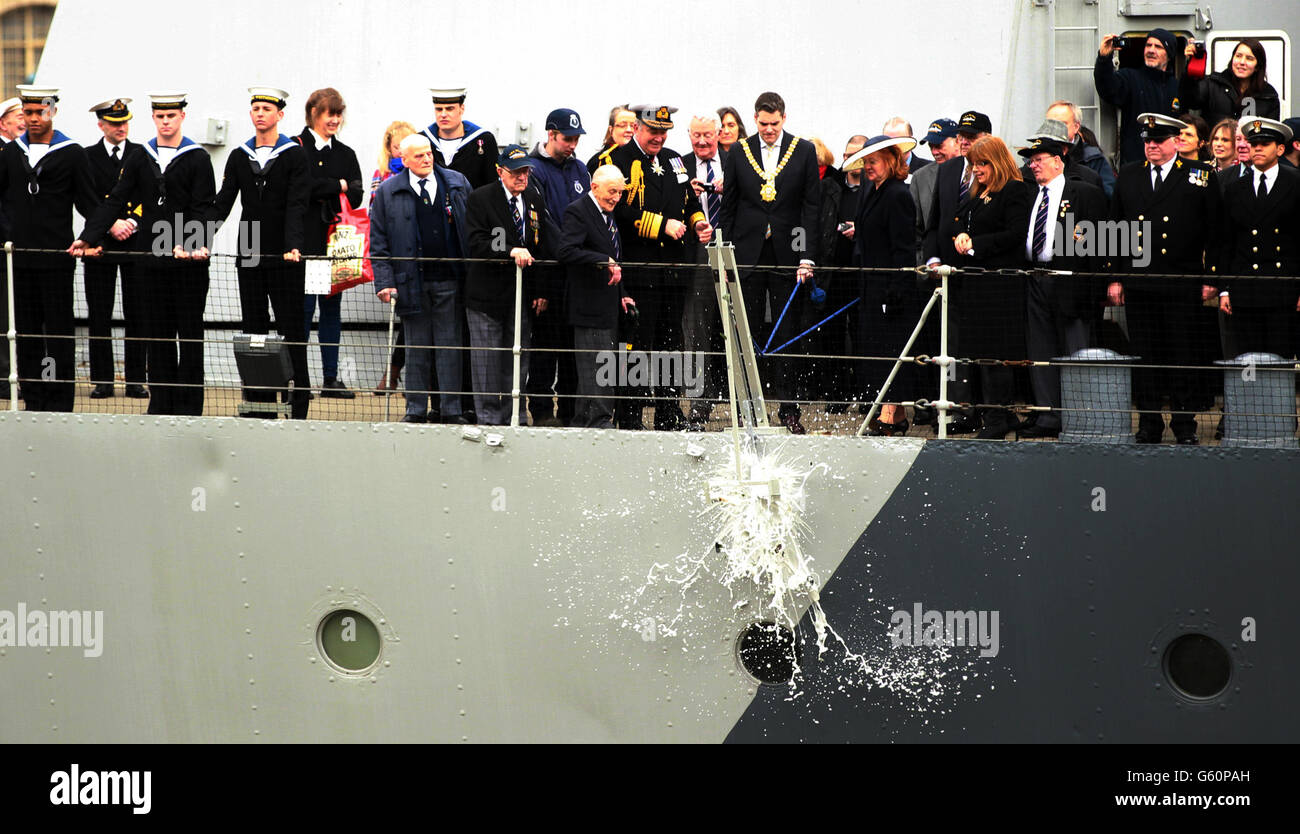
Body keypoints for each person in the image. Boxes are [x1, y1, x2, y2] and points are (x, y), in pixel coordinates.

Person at [71, 92, 214, 416]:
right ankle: (161, 403)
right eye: (160, 117)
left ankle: (190, 405)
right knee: (159, 334)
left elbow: (203, 207)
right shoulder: (141, 156)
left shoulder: (197, 157)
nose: (166, 122)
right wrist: (88, 237)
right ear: (153, 118)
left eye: (171, 116)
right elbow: (115, 199)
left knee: (190, 334)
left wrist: (192, 244)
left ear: (181, 118)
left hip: (187, 262)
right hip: (151, 259)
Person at [595, 104, 711, 430]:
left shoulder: (675, 159)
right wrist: (661, 225)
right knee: (637, 344)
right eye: (653, 131)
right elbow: (617, 211)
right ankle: (630, 416)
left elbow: (688, 199)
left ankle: (668, 411)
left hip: (673, 270)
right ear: (638, 128)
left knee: (671, 343)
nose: (659, 138)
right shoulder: (615, 161)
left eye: (663, 132)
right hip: (639, 269)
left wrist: (698, 222)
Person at [1110, 113, 1222, 444]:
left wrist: (1211, 276)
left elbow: (1216, 230)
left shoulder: (1199, 175)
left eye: (1158, 140)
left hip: (1181, 282)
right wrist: (1116, 278)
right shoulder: (1130, 175)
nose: (1152, 146)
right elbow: (1118, 229)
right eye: (1147, 141)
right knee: (1145, 355)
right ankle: (1148, 422)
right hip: (1141, 283)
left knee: (1182, 354)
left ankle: (1185, 424)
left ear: (1175, 141)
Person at [718, 91, 820, 434]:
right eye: (763, 123)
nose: (769, 130)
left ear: (784, 118)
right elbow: (729, 206)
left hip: (787, 254)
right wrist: (724, 254)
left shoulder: (804, 150)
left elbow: (811, 208)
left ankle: (788, 407)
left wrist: (805, 255)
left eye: (774, 123)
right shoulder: (738, 151)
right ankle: (745, 406)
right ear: (756, 118)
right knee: (745, 331)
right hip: (746, 254)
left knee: (786, 332)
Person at [211, 86, 311, 420]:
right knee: (254, 328)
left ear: (280, 115)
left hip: (285, 249)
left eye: (267, 109)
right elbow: (223, 201)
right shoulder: (240, 155)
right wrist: (195, 238)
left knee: (292, 327)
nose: (260, 114)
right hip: (251, 242)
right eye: (255, 108)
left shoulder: (294, 154)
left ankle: (299, 399)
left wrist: (293, 245)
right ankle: (259, 401)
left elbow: (298, 204)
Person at [0, 86, 99, 412]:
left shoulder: (72, 154)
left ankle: (57, 396)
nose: (33, 119)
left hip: (56, 259)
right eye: (27, 113)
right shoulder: (11, 154)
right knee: (26, 333)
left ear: (52, 112)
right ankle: (34, 395)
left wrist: (92, 236)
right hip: (20, 259)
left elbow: (89, 202)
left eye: (39, 112)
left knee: (56, 332)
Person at [369, 134, 472, 424]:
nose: (427, 159)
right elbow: (378, 242)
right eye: (419, 156)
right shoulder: (389, 192)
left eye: (429, 153)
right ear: (404, 160)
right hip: (409, 282)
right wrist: (385, 282)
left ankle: (451, 410)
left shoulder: (457, 182)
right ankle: (415, 409)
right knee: (417, 349)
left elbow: (473, 225)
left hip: (451, 280)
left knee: (450, 348)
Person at [1016, 127, 1108, 439]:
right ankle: (1048, 415)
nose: (1034, 165)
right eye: (1031, 161)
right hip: (1035, 277)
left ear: (1058, 161)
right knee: (1040, 347)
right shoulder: (1030, 195)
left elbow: (1099, 245)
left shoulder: (1084, 193)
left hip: (1069, 281)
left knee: (1075, 348)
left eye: (1039, 159)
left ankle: (1078, 416)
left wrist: (1099, 287)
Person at [943, 135, 1032, 439]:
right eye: (973, 164)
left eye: (983, 163)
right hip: (977, 286)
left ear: (997, 162)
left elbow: (1015, 233)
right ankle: (986, 414)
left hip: (999, 286)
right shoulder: (978, 194)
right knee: (979, 354)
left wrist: (975, 245)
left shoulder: (1014, 191)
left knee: (997, 355)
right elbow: (956, 220)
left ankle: (1000, 416)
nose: (977, 169)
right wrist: (960, 236)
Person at [464, 145, 557, 425]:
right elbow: (478, 242)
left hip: (521, 297)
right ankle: (489, 417)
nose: (522, 177)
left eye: (526, 170)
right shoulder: (482, 198)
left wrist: (541, 290)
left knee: (517, 361)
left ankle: (513, 415)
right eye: (516, 172)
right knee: (487, 362)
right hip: (487, 297)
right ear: (500, 171)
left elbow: (540, 246)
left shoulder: (533, 198)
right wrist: (510, 250)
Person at [845, 134, 917, 436]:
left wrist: (895, 291)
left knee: (891, 351)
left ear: (890, 161)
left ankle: (889, 417)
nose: (867, 167)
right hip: (869, 287)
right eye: (865, 162)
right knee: (875, 351)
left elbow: (904, 249)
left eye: (872, 161)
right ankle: (897, 417)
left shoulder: (898, 194)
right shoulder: (870, 191)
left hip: (891, 288)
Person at [298, 88, 364, 400]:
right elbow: (302, 187)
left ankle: (330, 377)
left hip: (337, 245)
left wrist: (329, 188)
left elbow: (357, 192)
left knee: (330, 309)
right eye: (328, 113)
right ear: (314, 114)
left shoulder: (345, 154)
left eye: (338, 113)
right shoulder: (298, 148)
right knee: (303, 311)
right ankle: (299, 379)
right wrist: (335, 185)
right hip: (309, 245)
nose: (334, 119)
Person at [1215, 118, 1299, 359]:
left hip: (1282, 288)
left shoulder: (1295, 184)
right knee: (1247, 357)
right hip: (1245, 289)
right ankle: (1248, 398)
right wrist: (1225, 289)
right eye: (1253, 144)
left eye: (1264, 144)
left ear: (1280, 149)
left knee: (1278, 355)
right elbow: (1227, 242)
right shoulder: (1235, 188)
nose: (1257, 149)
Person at [558, 165, 635, 429]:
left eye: (620, 193)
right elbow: (566, 251)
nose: (616, 197)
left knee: (603, 366)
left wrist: (622, 295)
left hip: (608, 304)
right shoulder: (578, 212)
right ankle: (598, 421)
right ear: (594, 187)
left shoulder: (606, 213)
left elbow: (615, 259)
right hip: (588, 307)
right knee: (597, 368)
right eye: (612, 191)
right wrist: (602, 260)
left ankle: (586, 420)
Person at [526, 108, 589, 427]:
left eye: (576, 138)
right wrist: (541, 283)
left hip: (575, 275)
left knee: (570, 346)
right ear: (550, 135)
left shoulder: (579, 169)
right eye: (567, 138)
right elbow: (542, 227)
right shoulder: (533, 169)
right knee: (545, 346)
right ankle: (539, 409)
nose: (573, 144)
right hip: (549, 270)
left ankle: (568, 409)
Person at [82, 97, 147, 400]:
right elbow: (86, 198)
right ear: (101, 125)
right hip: (101, 243)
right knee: (99, 313)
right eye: (114, 123)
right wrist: (109, 224)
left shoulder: (141, 154)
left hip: (135, 242)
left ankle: (135, 379)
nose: (121, 127)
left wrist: (132, 220)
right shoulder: (87, 156)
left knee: (138, 312)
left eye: (124, 122)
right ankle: (103, 380)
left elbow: (152, 192)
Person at [681, 114, 728, 429]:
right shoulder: (680, 166)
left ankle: (745, 403)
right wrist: (690, 198)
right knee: (695, 332)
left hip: (732, 249)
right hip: (696, 254)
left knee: (737, 330)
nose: (701, 142)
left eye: (707, 135)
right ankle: (700, 404)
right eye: (695, 135)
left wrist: (729, 190)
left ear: (719, 133)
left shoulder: (737, 161)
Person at [369, 120, 417, 394]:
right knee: (405, 318)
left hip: (416, 257)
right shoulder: (383, 175)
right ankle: (394, 372)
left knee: (409, 320)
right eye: (396, 146)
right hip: (394, 256)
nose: (401, 152)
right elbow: (374, 211)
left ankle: (394, 372)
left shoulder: (422, 172)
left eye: (405, 145)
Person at [1095, 28, 1181, 164]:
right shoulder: (1130, 78)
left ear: (1169, 54)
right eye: (1148, 45)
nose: (1151, 50)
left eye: (1158, 46)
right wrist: (1104, 58)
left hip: (1169, 164)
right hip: (1136, 164)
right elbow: (1107, 89)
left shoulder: (1176, 86)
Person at [1180, 38, 1280, 130]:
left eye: (1249, 58)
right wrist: (1191, 68)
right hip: (1216, 148)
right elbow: (1190, 101)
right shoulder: (1214, 84)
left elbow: (1271, 134)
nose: (1242, 62)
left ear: (1258, 66)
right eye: (1238, 56)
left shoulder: (1268, 96)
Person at [421, 87, 498, 189]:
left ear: (462, 109)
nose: (443, 114)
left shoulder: (483, 140)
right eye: (439, 109)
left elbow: (492, 184)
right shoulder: (422, 140)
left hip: (471, 204)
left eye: (450, 109)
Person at [1045, 100, 1116, 197]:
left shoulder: (1093, 159)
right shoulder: (1034, 159)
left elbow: (1108, 195)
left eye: (1062, 123)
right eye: (1051, 124)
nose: (1056, 128)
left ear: (1076, 127)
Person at [586, 105, 635, 172]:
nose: (629, 130)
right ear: (611, 130)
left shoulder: (644, 157)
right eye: (622, 125)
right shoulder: (600, 162)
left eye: (633, 126)